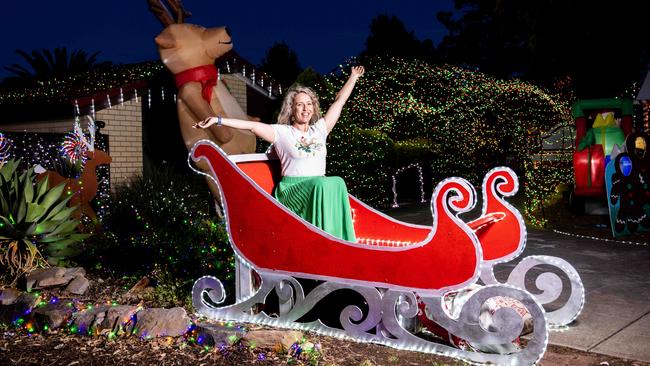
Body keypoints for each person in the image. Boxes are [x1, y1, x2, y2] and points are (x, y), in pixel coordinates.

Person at [194, 66, 365, 242]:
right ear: (292, 110)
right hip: (292, 190)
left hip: (316, 187)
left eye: (309, 104)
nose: (305, 109)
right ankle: (321, 242)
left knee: (337, 182)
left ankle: (337, 240)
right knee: (322, 184)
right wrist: (218, 120)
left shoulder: (320, 129)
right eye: (300, 104)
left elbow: (339, 102)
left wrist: (353, 77)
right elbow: (251, 126)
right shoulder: (282, 133)